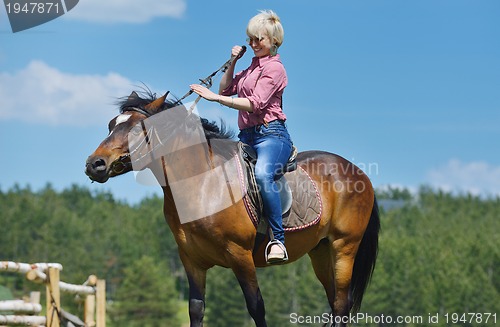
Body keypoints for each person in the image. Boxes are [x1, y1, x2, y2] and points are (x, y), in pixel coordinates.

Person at [190, 10, 293, 264]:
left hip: (272, 135)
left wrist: (216, 100)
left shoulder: (276, 69)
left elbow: (256, 104)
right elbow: (226, 87)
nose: (254, 44)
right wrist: (233, 61)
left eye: (259, 39)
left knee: (261, 175)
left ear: (274, 41)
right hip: (246, 136)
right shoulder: (250, 69)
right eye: (251, 39)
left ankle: (277, 240)